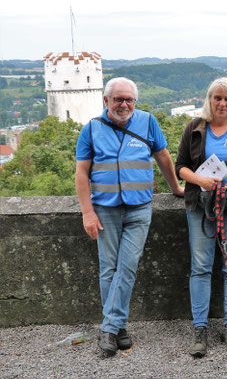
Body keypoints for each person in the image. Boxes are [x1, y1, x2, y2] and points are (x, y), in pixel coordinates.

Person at [75, 77, 184, 357]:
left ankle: (109, 328)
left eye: (129, 100)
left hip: (139, 208)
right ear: (106, 101)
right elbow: (81, 173)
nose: (124, 104)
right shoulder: (91, 129)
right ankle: (118, 327)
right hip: (105, 209)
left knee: (127, 266)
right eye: (118, 99)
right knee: (108, 270)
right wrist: (87, 212)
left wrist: (175, 188)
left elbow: (163, 157)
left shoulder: (147, 122)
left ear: (135, 101)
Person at [175, 77, 227, 357]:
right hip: (201, 206)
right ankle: (199, 329)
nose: (222, 103)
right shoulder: (195, 128)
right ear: (209, 100)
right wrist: (200, 180)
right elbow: (181, 167)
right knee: (200, 266)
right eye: (217, 98)